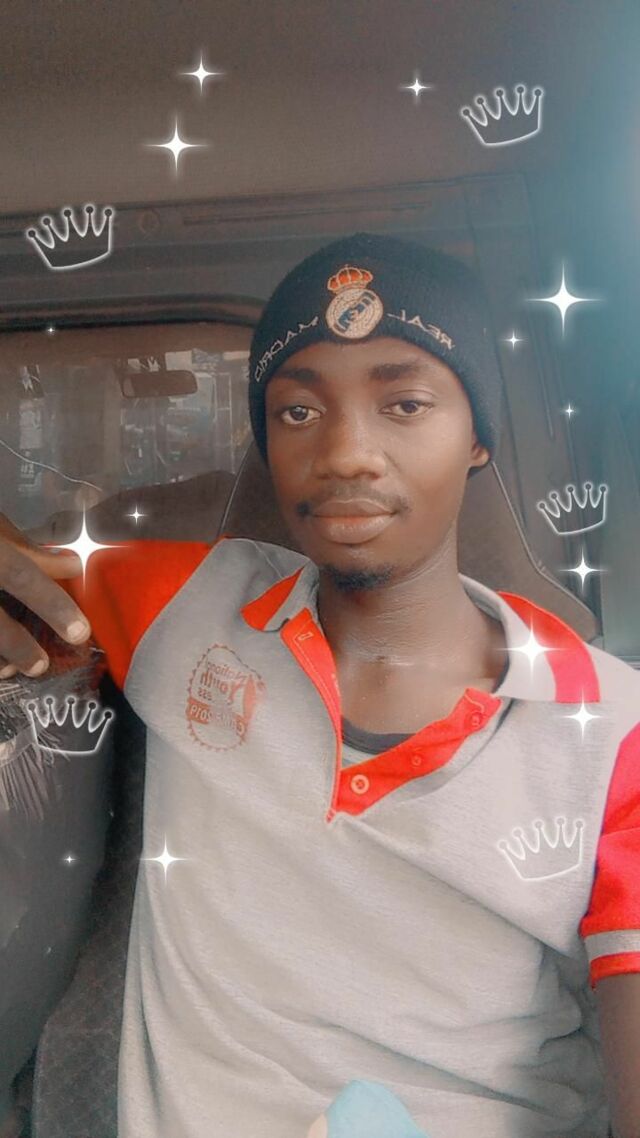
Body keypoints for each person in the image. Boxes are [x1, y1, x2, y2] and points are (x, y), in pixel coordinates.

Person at [0, 232, 639, 1138]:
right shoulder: (188, 604)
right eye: (298, 411)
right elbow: (21, 570)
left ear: (477, 439)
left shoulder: (610, 731)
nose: (345, 452)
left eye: (405, 404)